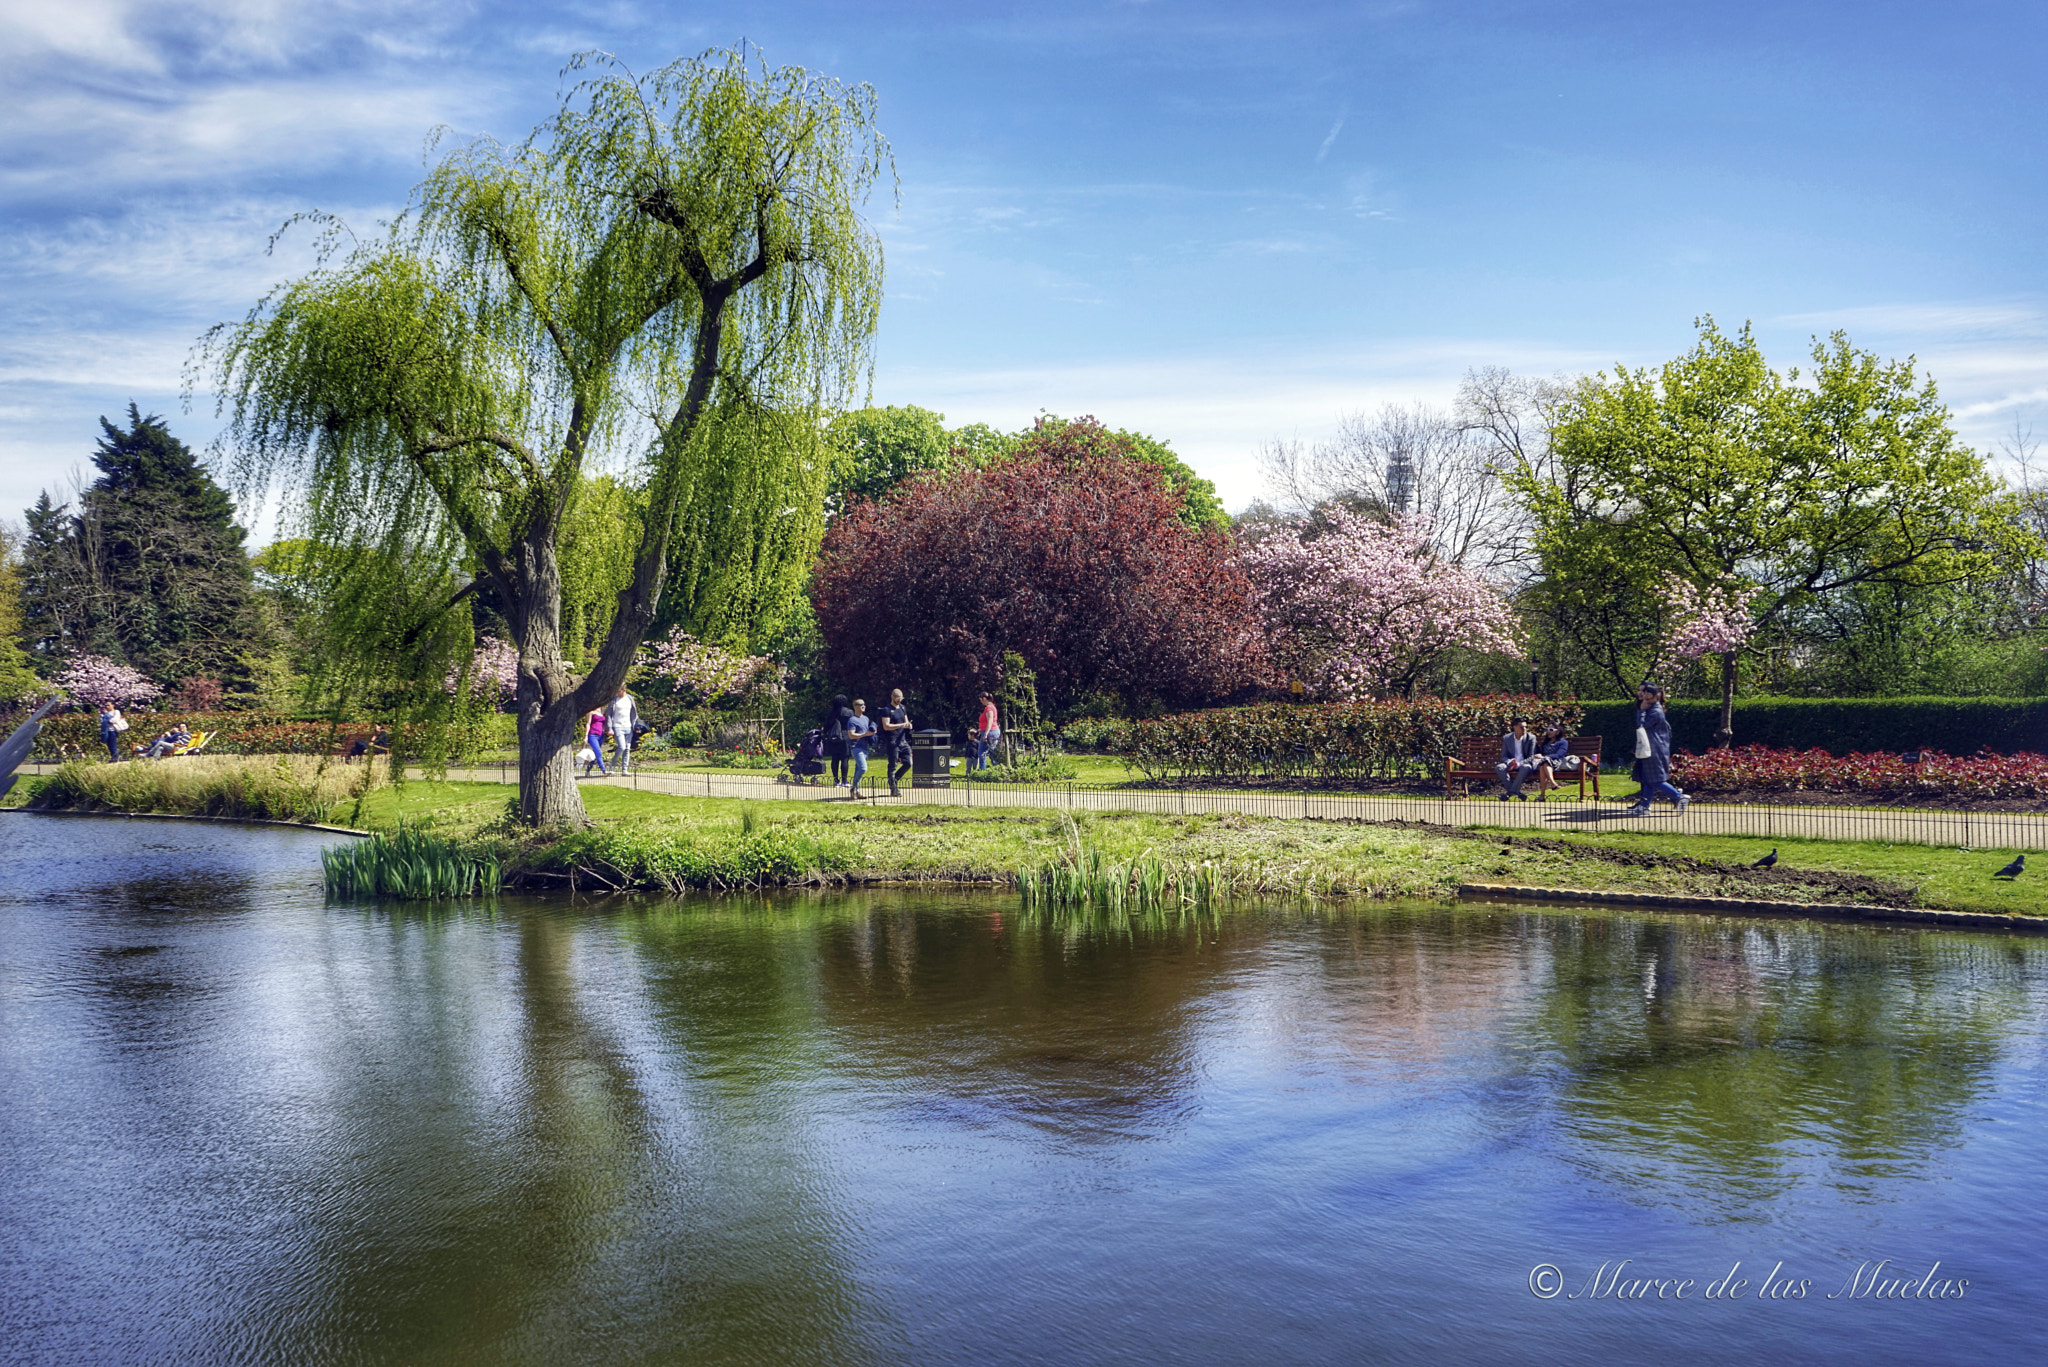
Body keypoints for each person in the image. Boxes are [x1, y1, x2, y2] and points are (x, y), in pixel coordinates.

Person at [1627, 682, 1687, 816]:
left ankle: (1679, 797)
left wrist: (1641, 711)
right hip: (1651, 748)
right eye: (1644, 692)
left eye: (1648, 693)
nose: (1645, 695)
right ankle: (1644, 806)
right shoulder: (1651, 708)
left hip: (1654, 749)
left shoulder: (1655, 711)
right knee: (1648, 778)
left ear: (1656, 695)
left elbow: (1641, 726)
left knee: (1655, 780)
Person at [880, 688, 914, 796]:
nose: (899, 700)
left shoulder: (902, 708)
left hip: (903, 740)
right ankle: (893, 789)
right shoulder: (886, 710)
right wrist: (901, 725)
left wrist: (908, 725)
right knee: (893, 765)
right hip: (893, 741)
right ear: (892, 697)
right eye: (897, 698)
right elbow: (886, 726)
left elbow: (906, 720)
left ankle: (894, 780)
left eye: (901, 698)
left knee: (909, 763)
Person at [1531, 725, 1578, 800]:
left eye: (1551, 729)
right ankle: (1552, 784)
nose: (1548, 731)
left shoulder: (1563, 742)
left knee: (1545, 762)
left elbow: (1559, 754)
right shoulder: (1546, 742)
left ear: (1557, 731)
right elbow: (1541, 753)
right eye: (1547, 729)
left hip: (1557, 762)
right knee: (1543, 764)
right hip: (1544, 764)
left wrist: (1544, 757)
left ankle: (1543, 794)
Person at [1496, 715, 1536, 801]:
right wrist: (1509, 762)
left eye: (1525, 727)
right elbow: (1504, 756)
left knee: (1526, 767)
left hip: (1523, 764)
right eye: (1521, 727)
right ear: (1514, 727)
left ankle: (1509, 793)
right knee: (1499, 767)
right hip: (1511, 764)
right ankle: (1517, 793)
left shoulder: (1531, 738)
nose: (1524, 729)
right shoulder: (1507, 738)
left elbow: (1531, 757)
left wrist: (1518, 763)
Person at [846, 698, 876, 797]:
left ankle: (856, 792)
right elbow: (851, 735)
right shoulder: (852, 720)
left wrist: (872, 733)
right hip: (856, 748)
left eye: (864, 704)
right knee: (863, 768)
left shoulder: (866, 719)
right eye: (860, 704)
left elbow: (867, 732)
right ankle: (853, 788)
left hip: (865, 747)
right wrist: (865, 734)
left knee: (857, 770)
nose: (863, 706)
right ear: (855, 706)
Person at [606, 686, 639, 775]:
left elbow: (634, 713)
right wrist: (609, 728)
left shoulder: (630, 699)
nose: (617, 692)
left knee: (627, 749)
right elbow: (609, 714)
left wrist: (635, 725)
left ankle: (624, 770)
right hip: (617, 726)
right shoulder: (614, 700)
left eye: (618, 690)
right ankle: (612, 767)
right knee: (621, 747)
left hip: (628, 726)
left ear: (624, 690)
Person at [823, 694, 853, 787]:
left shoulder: (831, 712)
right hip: (845, 736)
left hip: (833, 737)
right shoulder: (849, 712)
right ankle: (844, 780)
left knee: (834, 759)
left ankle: (836, 780)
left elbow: (826, 725)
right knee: (844, 758)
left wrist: (824, 733)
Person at [973, 692, 1000, 772]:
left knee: (982, 752)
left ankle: (982, 772)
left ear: (984, 698)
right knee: (992, 752)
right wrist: (980, 730)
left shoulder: (989, 708)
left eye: (981, 700)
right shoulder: (991, 707)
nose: (981, 702)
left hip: (990, 732)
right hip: (991, 731)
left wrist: (985, 734)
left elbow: (990, 721)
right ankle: (997, 770)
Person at [582, 711, 608, 777]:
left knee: (595, 754)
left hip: (600, 735)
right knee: (598, 753)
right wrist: (586, 736)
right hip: (592, 735)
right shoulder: (591, 711)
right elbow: (588, 723)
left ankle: (588, 770)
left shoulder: (603, 711)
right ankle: (604, 771)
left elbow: (604, 723)